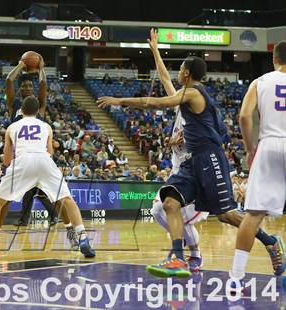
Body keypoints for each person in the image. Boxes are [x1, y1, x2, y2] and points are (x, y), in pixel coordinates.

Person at [97, 52, 281, 279]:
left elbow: (157, 102)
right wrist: (155, 51)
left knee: (226, 215)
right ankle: (177, 258)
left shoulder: (193, 93)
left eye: (180, 69)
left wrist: (120, 101)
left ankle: (271, 241)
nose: (177, 74)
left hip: (210, 158)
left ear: (186, 73)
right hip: (191, 161)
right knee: (169, 203)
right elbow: (216, 126)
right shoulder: (191, 97)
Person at [0, 97, 95, 258]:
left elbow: (6, 160)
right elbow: (50, 152)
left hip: (23, 161)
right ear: (38, 111)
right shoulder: (46, 126)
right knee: (67, 199)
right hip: (43, 160)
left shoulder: (12, 127)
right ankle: (83, 238)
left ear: (21, 111)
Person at [147, 28, 208, 273]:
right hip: (178, 173)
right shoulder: (181, 104)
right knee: (157, 211)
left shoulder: (199, 108)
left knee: (177, 215)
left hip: (196, 174)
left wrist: (188, 139)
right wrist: (155, 51)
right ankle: (182, 249)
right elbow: (164, 79)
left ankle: (193, 255)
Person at [228, 41, 286, 292]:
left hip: (269, 143)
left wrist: (250, 148)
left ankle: (235, 279)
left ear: (274, 58)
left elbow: (243, 116)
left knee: (253, 215)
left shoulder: (260, 81)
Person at [5, 55, 58, 226]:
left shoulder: (39, 105)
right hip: (20, 154)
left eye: (30, 85)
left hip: (38, 152)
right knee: (35, 188)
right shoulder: (14, 104)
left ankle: (25, 218)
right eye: (24, 86)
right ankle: (53, 215)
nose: (27, 88)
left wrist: (41, 68)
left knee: (32, 187)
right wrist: (21, 65)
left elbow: (43, 84)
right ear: (20, 89)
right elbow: (8, 80)